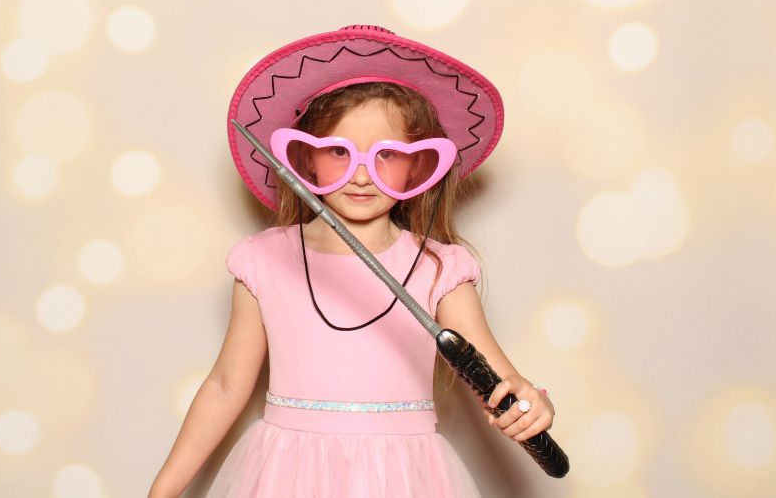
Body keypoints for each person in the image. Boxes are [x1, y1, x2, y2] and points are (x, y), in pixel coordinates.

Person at [148, 25, 556, 497]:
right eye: (338, 151)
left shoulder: (440, 268)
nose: (361, 175)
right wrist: (163, 490)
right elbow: (224, 386)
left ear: (419, 165)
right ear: (305, 159)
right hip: (288, 475)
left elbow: (499, 379)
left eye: (388, 155)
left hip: (402, 478)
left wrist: (531, 403)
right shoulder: (264, 260)